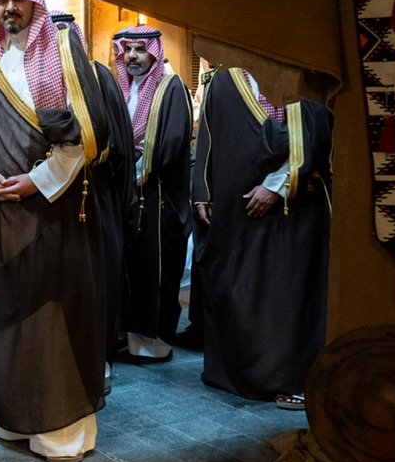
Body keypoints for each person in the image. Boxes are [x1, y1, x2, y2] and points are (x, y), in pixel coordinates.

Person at [0, 0, 125, 462]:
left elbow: (87, 137)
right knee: (7, 321)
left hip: (53, 215)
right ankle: (12, 418)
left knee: (51, 320)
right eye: (1, 0)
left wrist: (38, 181)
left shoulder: (63, 51)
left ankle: (60, 432)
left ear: (35, 0)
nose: (10, 8)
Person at [192, 67, 332, 410]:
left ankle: (288, 378)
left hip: (292, 213)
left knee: (285, 298)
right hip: (234, 209)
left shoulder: (300, 77)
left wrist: (276, 185)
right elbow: (208, 135)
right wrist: (203, 192)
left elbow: (313, 136)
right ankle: (238, 372)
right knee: (237, 288)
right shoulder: (223, 79)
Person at [110, 26, 192, 363]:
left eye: (140, 50)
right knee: (131, 270)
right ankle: (131, 340)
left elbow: (170, 144)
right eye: (127, 49)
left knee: (155, 272)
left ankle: (154, 347)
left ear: (154, 54)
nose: (132, 56)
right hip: (129, 198)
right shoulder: (124, 88)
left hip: (158, 198)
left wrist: (135, 168)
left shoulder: (171, 88)